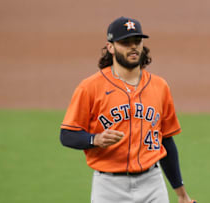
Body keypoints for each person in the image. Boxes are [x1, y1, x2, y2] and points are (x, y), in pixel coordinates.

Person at [60, 16, 196, 203]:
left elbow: (166, 141)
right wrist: (95, 139)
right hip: (108, 186)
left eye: (137, 41)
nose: (133, 47)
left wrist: (182, 194)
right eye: (125, 42)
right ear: (110, 47)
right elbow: (67, 134)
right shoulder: (90, 87)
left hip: (152, 183)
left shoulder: (160, 86)